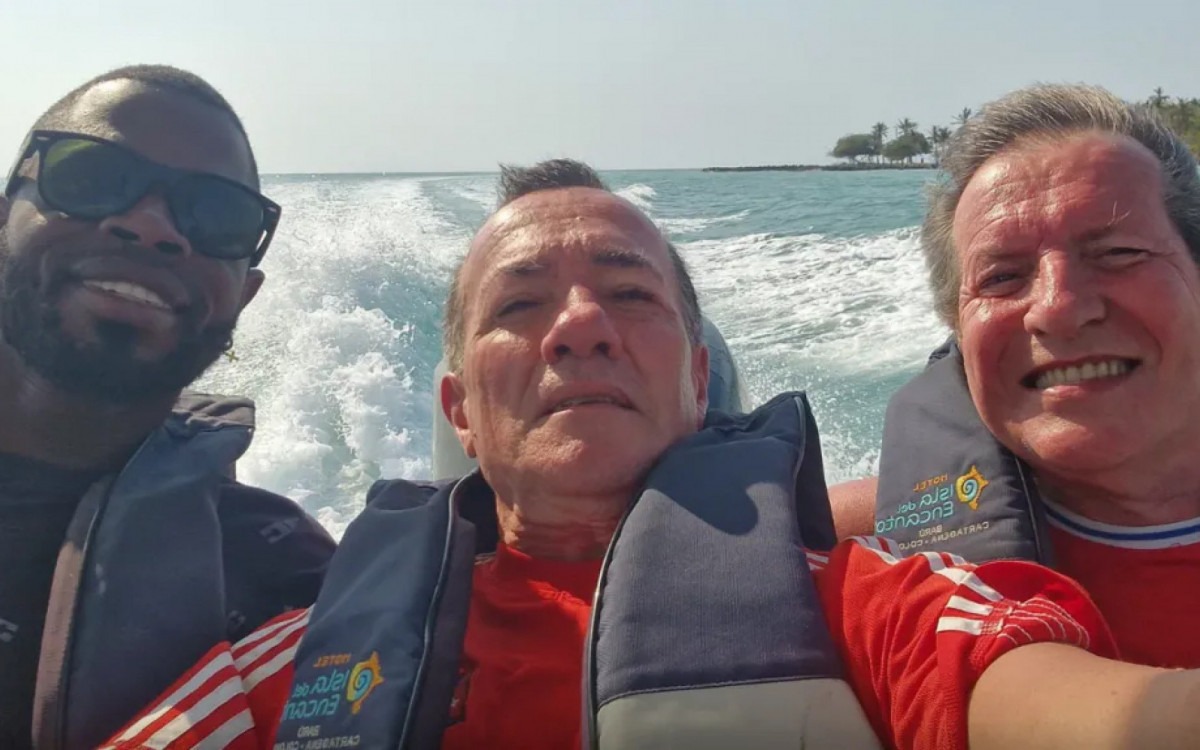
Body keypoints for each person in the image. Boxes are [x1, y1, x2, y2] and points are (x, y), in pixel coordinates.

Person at [103, 160, 1198, 750]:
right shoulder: (296, 667)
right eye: (520, 305)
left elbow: (1110, 721)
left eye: (630, 295)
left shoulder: (876, 605)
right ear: (458, 410)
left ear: (697, 377)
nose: (580, 326)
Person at [0, 65, 335, 749]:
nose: (151, 226)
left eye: (217, 215)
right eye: (92, 176)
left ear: (243, 296)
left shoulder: (298, 586)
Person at [832, 83, 1200, 671]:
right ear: (959, 332)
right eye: (1002, 277)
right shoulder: (854, 554)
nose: (1057, 307)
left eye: (1118, 253)